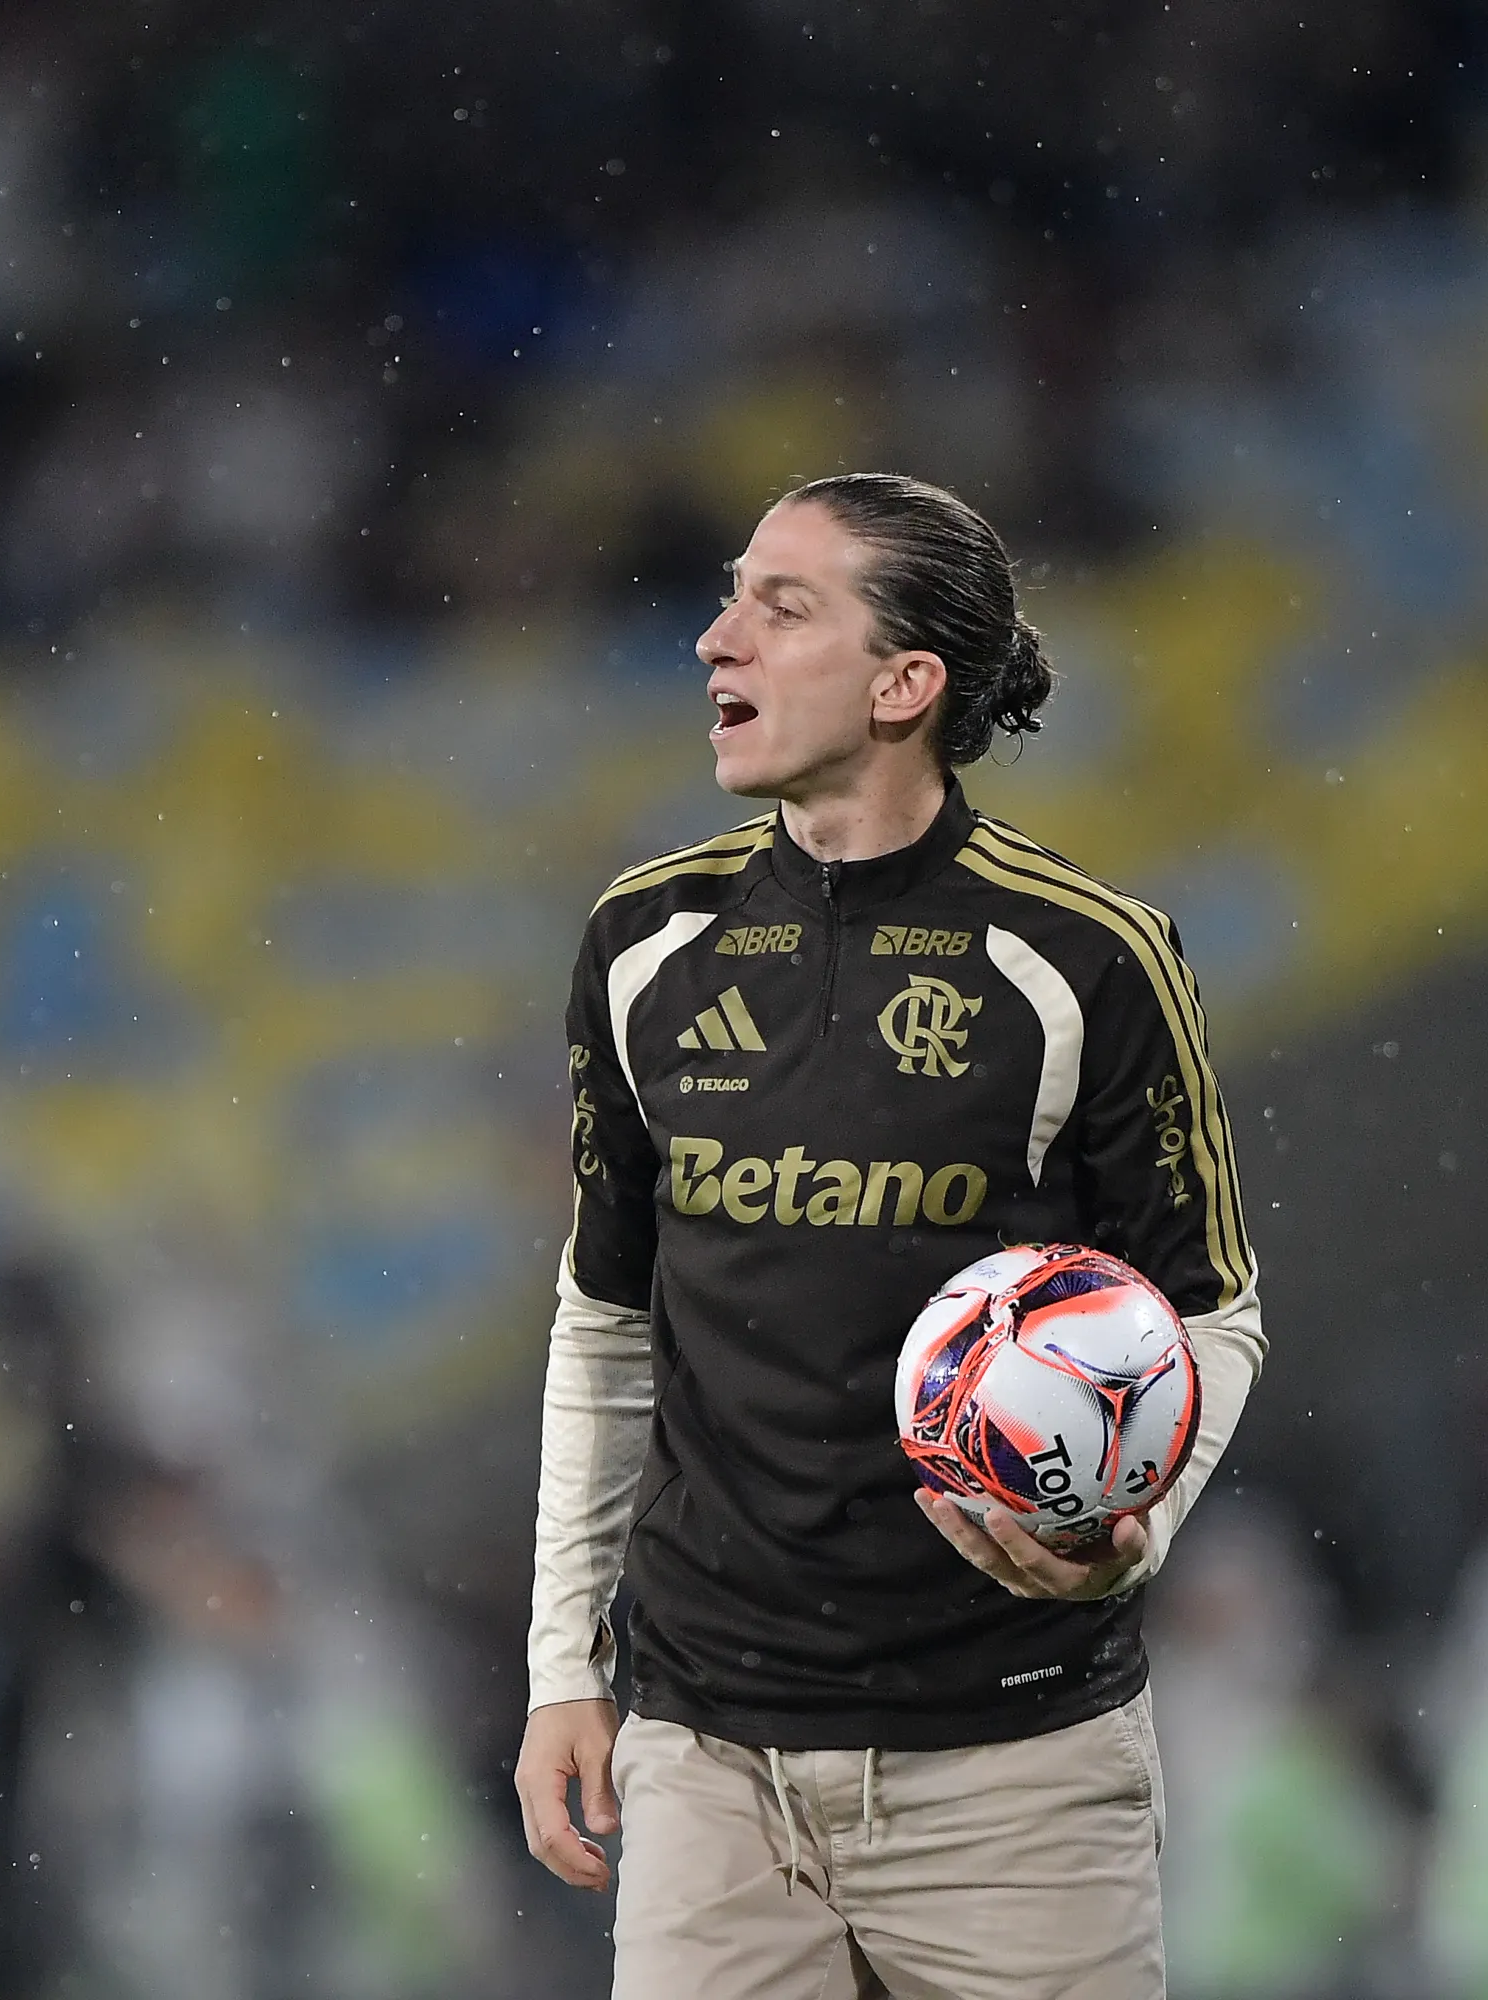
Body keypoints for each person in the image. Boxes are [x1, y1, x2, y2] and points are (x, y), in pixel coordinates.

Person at [512, 473, 1266, 1997]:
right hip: (707, 1760)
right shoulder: (640, 948)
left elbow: (1213, 1315)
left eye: (781, 608)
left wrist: (1132, 1536)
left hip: (1016, 1769)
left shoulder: (1088, 962)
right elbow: (605, 1324)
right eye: (730, 596)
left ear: (905, 681)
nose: (718, 639)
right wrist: (560, 1674)